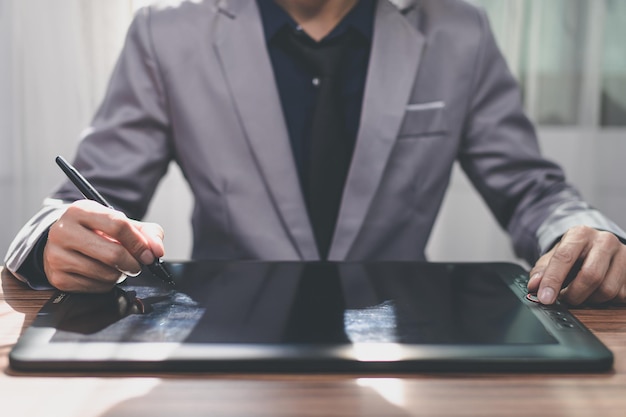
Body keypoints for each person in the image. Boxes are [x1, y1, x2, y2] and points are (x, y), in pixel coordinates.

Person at [4, 0, 626, 305]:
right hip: (224, 346)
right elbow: (85, 194)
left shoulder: (458, 30)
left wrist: (585, 232)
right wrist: (53, 234)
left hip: (402, 346)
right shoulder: (167, 31)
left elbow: (531, 187)